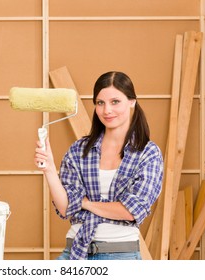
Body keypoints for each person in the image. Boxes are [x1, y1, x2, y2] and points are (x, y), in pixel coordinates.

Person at [34, 71, 163, 260]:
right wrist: (50, 169)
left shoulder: (148, 153)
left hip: (121, 254)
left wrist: (85, 203)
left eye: (115, 102)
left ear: (132, 101)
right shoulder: (79, 150)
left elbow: (130, 211)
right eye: (100, 103)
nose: (107, 110)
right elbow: (65, 208)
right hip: (75, 251)